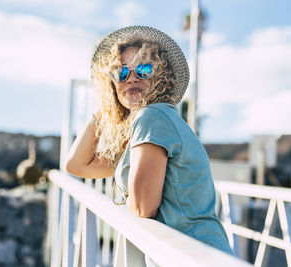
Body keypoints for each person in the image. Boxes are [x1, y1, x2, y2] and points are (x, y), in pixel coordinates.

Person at [65, 25, 233, 256]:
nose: (131, 78)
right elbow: (76, 166)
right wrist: (106, 107)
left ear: (161, 76)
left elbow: (142, 207)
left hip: (193, 255)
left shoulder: (152, 118)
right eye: (121, 73)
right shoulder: (151, 128)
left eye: (143, 69)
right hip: (196, 253)